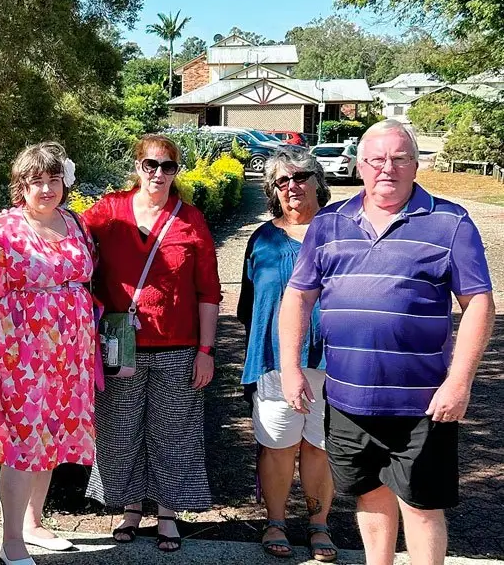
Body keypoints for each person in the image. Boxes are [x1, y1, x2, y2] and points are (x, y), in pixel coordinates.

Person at [279, 119, 495, 565]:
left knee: (421, 505)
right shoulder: (330, 223)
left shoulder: (451, 222)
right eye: (376, 159)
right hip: (347, 399)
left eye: (399, 159)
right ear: (359, 165)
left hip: (423, 402)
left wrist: (459, 383)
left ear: (416, 165)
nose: (387, 168)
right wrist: (290, 367)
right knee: (370, 497)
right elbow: (298, 296)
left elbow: (478, 303)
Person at [0, 142, 96, 565]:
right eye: (37, 181)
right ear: (22, 186)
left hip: (69, 355)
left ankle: (34, 524)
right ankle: (10, 539)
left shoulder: (75, 223)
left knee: (48, 436)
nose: (47, 188)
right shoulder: (5, 231)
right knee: (23, 443)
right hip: (21, 355)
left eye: (54, 180)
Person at [82, 134, 221, 553]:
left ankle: (166, 512)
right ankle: (128, 508)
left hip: (179, 348)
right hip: (118, 346)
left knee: (173, 432)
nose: (158, 173)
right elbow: (67, 244)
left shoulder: (190, 220)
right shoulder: (108, 211)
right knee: (119, 431)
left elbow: (209, 291)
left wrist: (206, 351)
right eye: (150, 164)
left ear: (177, 171)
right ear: (137, 166)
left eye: (167, 166)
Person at [237, 146, 337, 562]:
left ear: (318, 181)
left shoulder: (339, 230)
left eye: (300, 177)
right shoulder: (260, 240)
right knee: (277, 444)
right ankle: (275, 521)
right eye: (281, 181)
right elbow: (248, 305)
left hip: (332, 361)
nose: (291, 186)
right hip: (275, 360)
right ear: (272, 190)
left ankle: (319, 524)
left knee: (318, 445)